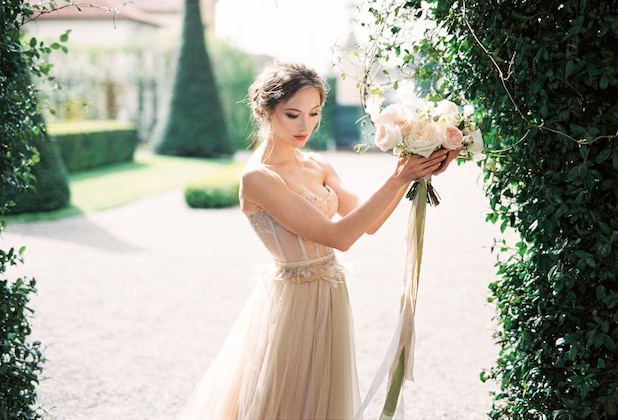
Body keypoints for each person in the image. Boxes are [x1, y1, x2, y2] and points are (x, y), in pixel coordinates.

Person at [176, 61, 457, 419]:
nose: (305, 125)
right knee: (286, 400)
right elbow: (339, 237)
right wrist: (397, 178)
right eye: (293, 114)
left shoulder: (318, 164)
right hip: (293, 301)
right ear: (266, 111)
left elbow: (366, 223)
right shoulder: (257, 178)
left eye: (314, 113)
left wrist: (413, 172)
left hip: (331, 293)